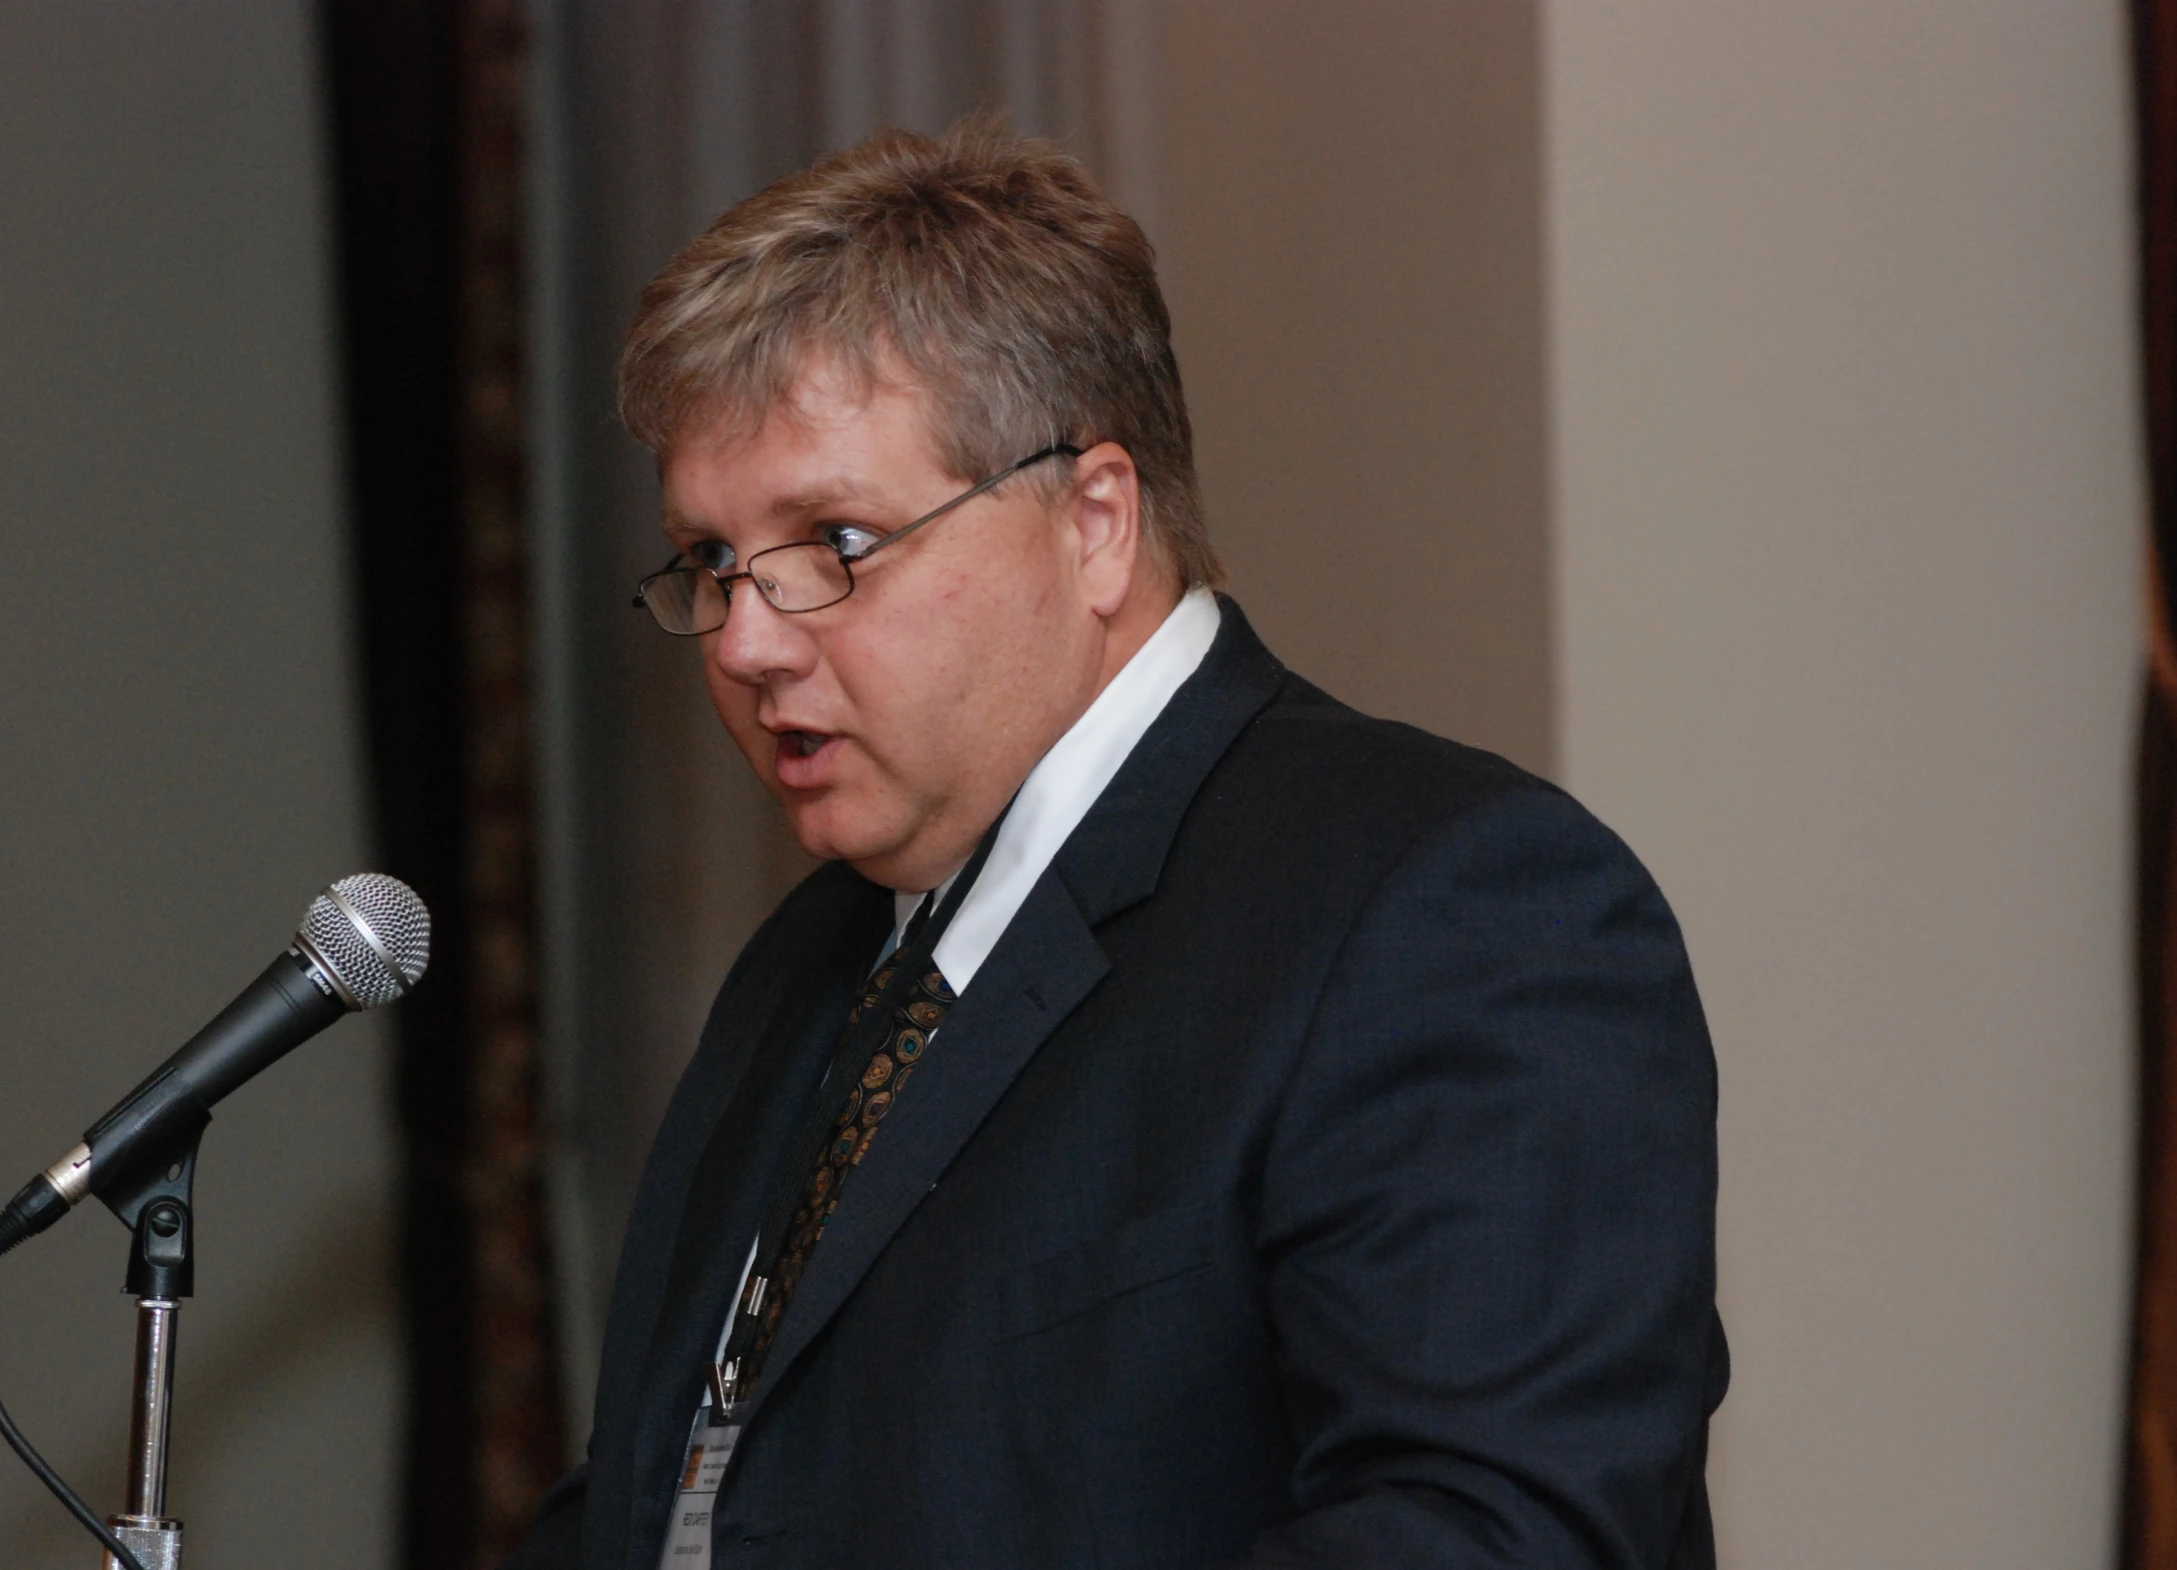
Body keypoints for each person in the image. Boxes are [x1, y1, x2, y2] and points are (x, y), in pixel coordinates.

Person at [507, 122, 1725, 1570]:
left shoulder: (1450, 906)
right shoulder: (806, 964)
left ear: (1094, 519)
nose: (750, 641)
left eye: (832, 542)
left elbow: (1492, 1532)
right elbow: (673, 1501)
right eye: (711, 564)